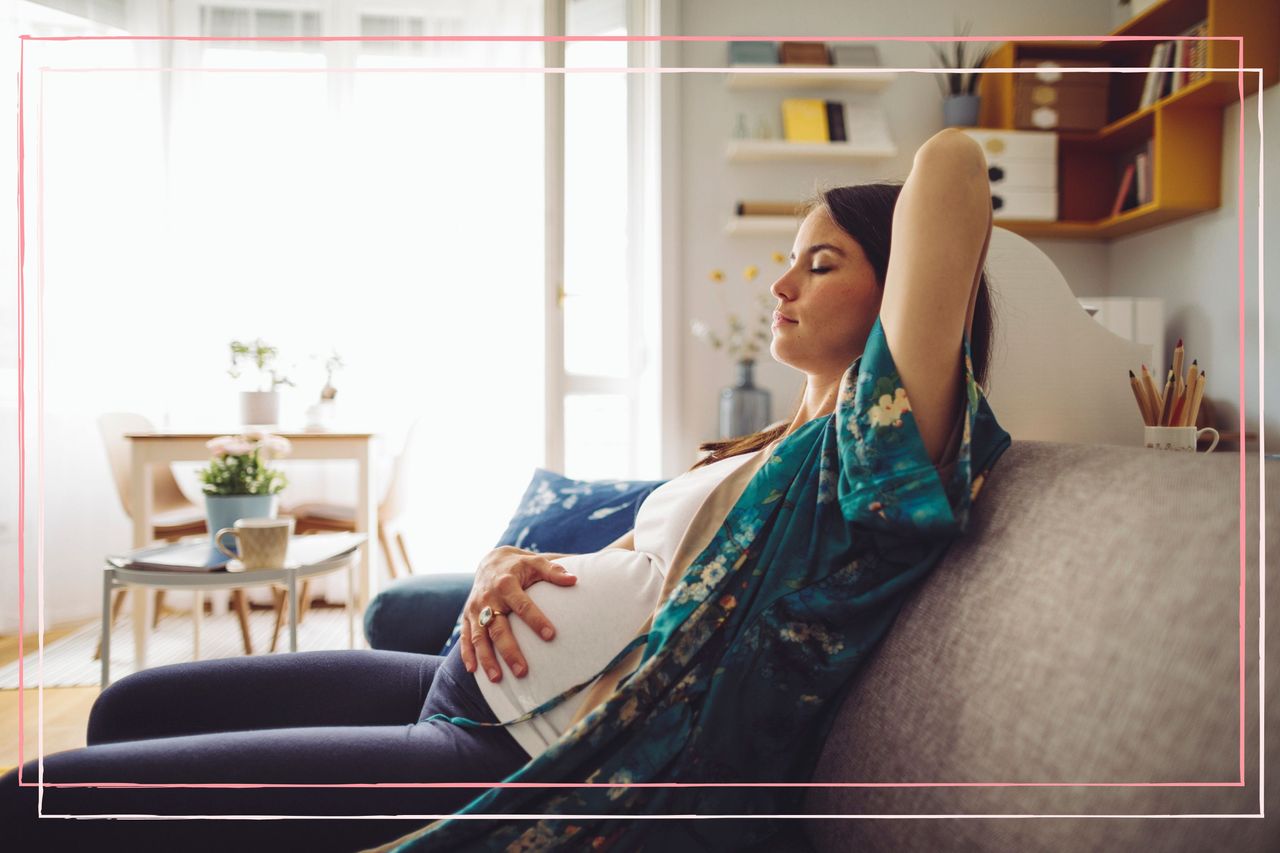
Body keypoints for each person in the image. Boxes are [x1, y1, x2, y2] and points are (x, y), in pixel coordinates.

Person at [1, 127, 1011, 852]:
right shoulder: (761, 451)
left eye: (820, 264)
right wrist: (503, 563)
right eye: (787, 261)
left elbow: (952, 168)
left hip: (511, 759)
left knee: (39, 802)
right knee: (126, 705)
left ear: (901, 303)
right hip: (455, 684)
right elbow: (636, 576)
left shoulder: (871, 460)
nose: (779, 285)